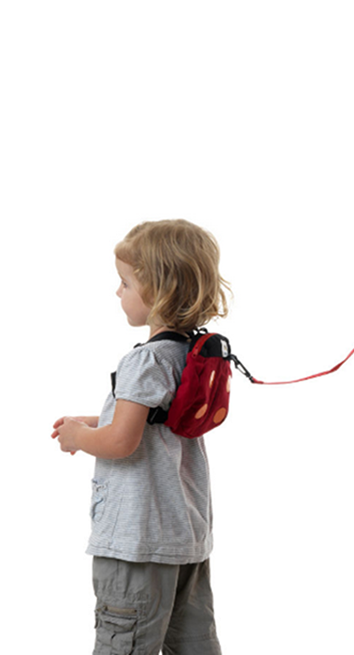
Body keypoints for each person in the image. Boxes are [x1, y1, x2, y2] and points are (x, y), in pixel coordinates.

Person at [52, 219, 229, 655]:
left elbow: (121, 442)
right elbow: (153, 423)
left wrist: (79, 436)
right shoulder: (188, 355)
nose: (118, 292)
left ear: (159, 291)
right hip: (185, 537)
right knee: (193, 644)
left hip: (137, 544)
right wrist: (95, 421)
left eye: (126, 282)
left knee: (125, 644)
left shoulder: (145, 361)